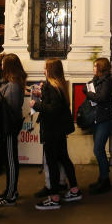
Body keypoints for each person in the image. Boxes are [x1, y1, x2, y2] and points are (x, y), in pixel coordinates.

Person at [33, 59, 82, 210]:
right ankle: (74, 189)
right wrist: (42, 94)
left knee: (52, 163)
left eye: (45, 69)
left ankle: (54, 198)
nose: (43, 71)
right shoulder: (60, 85)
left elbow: (52, 109)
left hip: (51, 131)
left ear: (51, 71)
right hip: (60, 130)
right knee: (64, 159)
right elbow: (57, 105)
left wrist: (36, 104)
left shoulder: (51, 86)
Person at [0, 52, 27, 206]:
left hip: (9, 126)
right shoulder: (8, 82)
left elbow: (12, 108)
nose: (1, 66)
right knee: (9, 159)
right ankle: (10, 189)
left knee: (10, 160)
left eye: (3, 64)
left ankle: (11, 194)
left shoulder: (13, 85)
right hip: (7, 125)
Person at [87, 56, 112, 193]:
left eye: (95, 66)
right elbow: (92, 92)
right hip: (97, 118)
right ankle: (102, 177)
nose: (93, 68)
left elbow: (101, 98)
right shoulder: (97, 80)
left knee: (98, 149)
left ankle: (105, 181)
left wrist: (88, 94)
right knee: (98, 149)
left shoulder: (107, 82)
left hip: (105, 119)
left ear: (101, 67)